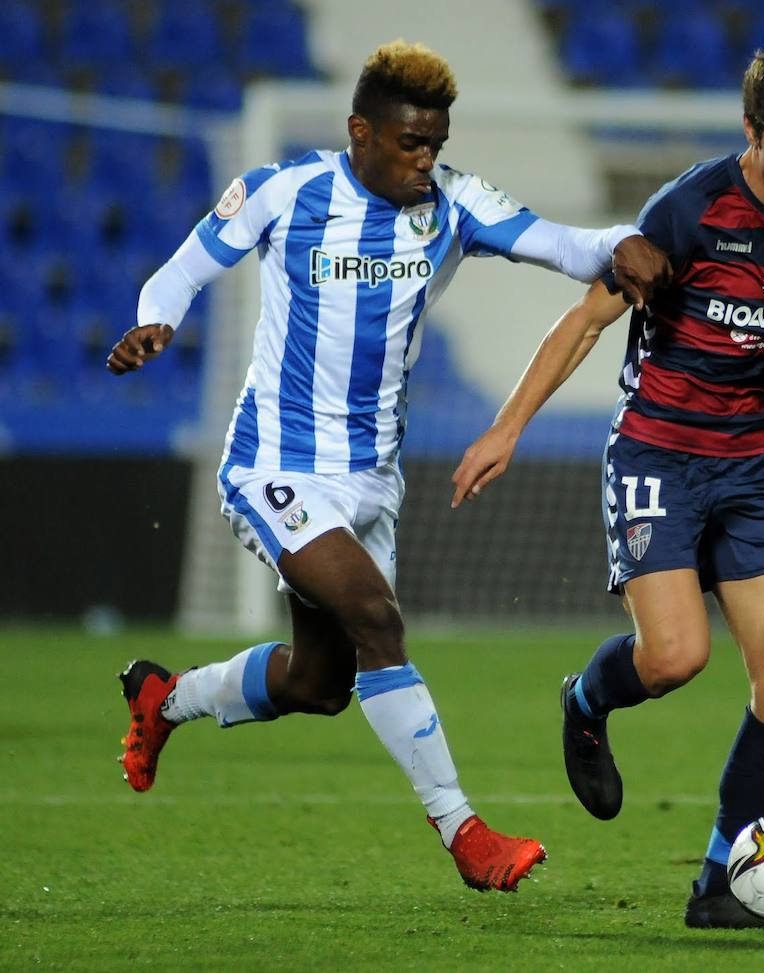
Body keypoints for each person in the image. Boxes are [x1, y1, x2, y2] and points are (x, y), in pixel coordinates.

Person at [106, 39, 670, 893]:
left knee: (321, 681)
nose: (426, 160)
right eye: (411, 143)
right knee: (379, 618)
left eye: (436, 143)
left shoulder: (453, 206)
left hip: (372, 481)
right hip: (275, 464)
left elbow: (560, 243)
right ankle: (466, 833)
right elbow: (181, 272)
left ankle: (166, 698)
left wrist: (622, 241)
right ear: (359, 132)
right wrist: (157, 321)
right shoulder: (282, 192)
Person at [449, 35, 764, 927]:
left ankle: (720, 880)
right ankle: (587, 697)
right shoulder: (687, 210)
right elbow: (584, 321)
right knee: (676, 657)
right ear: (751, 130)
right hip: (658, 454)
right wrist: (508, 427)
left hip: (756, 466)